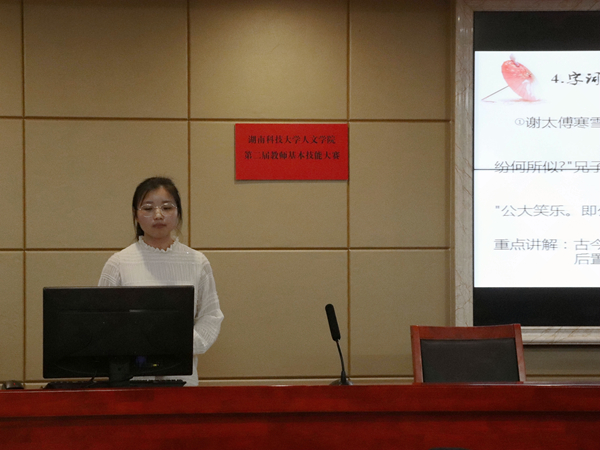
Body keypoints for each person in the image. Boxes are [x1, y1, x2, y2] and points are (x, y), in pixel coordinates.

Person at [98, 176, 223, 386]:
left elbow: (211, 315)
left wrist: (183, 343)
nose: (158, 215)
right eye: (148, 208)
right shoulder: (118, 263)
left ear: (178, 213)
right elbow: (102, 320)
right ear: (136, 215)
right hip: (131, 378)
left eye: (167, 207)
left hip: (182, 376)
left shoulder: (197, 261)